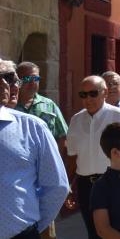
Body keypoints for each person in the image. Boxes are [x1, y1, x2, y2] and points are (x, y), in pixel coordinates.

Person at [1, 57, 69, 239]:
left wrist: (33, 224)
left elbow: (62, 139)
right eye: (27, 80)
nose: (10, 85)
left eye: (36, 79)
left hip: (25, 221)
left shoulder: (39, 118)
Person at [67, 76, 120, 239]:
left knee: (117, 231)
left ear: (104, 92)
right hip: (86, 185)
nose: (88, 99)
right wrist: (68, 185)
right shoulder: (76, 120)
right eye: (83, 95)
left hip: (115, 183)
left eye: (93, 93)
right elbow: (72, 155)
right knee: (94, 232)